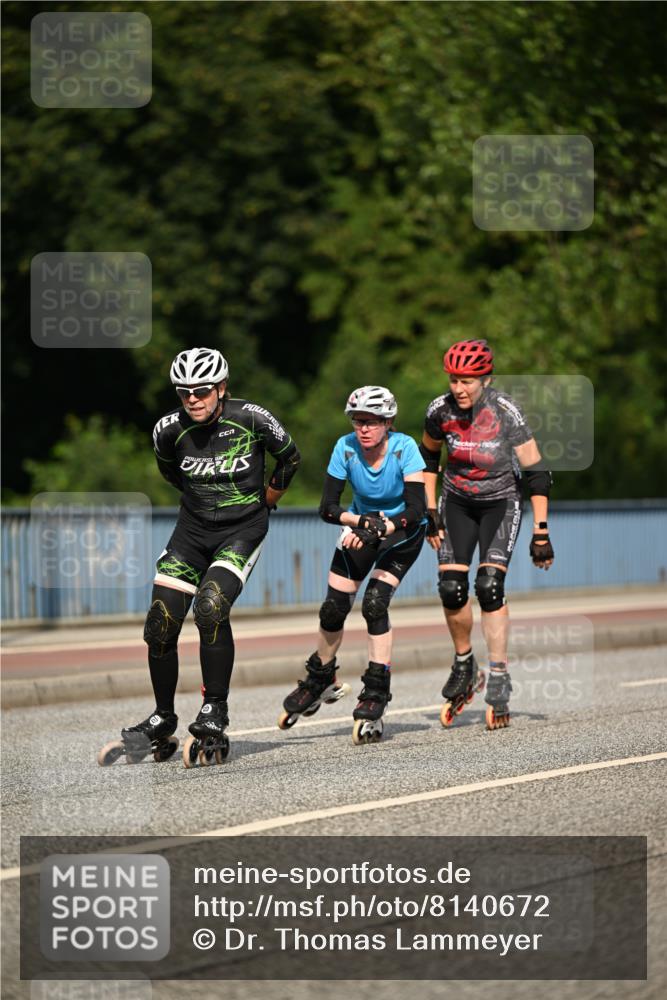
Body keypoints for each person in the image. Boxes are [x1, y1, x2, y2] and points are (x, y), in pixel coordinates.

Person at [98, 346, 300, 768]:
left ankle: (215, 712)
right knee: (160, 620)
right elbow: (171, 472)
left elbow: (290, 458)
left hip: (242, 530)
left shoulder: (252, 419)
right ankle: (162, 717)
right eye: (184, 391)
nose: (193, 398)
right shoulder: (168, 430)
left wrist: (268, 501)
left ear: (221, 388)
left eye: (203, 390)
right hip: (191, 532)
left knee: (209, 607)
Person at [278, 385, 426, 744]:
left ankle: (376, 689)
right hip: (362, 528)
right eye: (358, 421)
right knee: (332, 609)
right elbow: (328, 507)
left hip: (401, 533)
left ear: (388, 422)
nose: (363, 429)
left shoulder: (405, 448)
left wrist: (382, 527)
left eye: (372, 422)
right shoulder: (345, 448)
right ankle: (321, 677)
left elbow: (416, 508)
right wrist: (361, 523)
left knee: (375, 603)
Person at [420, 339, 554, 730]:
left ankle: (498, 674)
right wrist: (429, 510)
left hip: (500, 501)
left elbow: (537, 473)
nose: (459, 388)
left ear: (486, 379)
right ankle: (465, 665)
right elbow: (428, 458)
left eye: (467, 381)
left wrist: (541, 533)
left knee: (489, 585)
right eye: (453, 380)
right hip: (457, 501)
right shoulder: (439, 410)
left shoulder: (504, 410)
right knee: (451, 588)